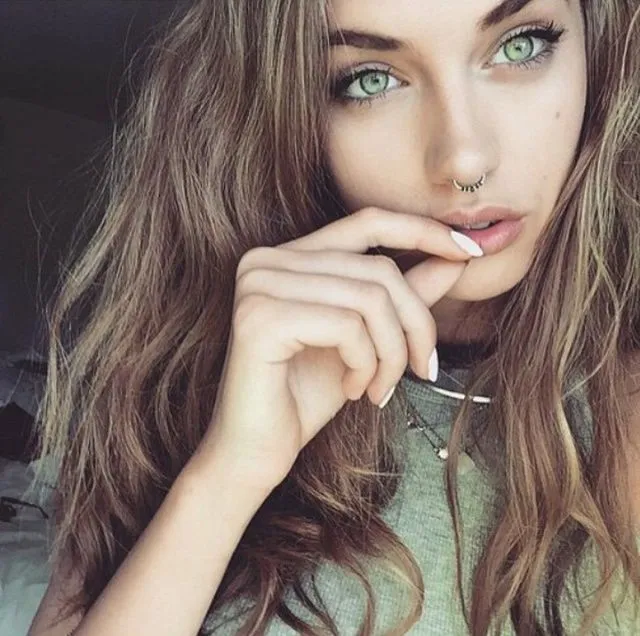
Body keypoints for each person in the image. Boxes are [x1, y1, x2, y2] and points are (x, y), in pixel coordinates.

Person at [27, 0, 640, 634]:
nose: (464, 161)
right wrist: (228, 472)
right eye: (370, 80)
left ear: (598, 46)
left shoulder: (618, 393)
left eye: (519, 46)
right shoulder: (171, 388)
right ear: (284, 110)